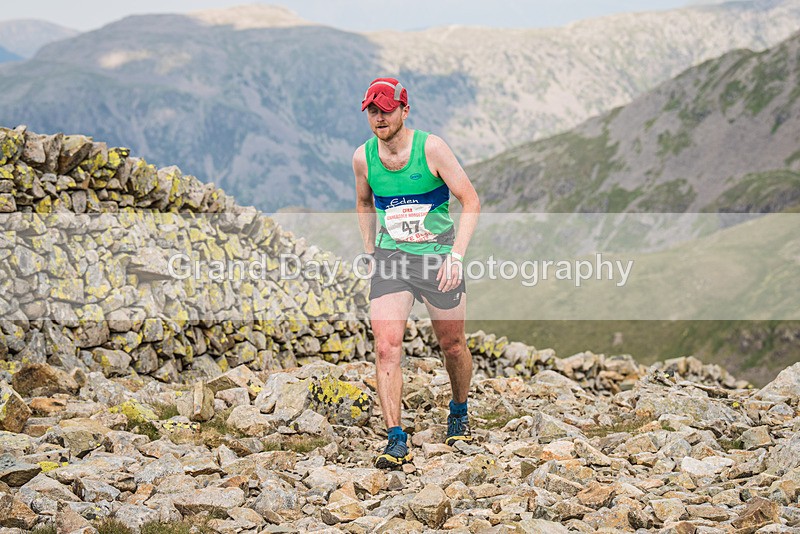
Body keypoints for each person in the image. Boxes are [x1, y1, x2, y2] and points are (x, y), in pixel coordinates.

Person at [352, 77, 481, 469]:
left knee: (452, 344)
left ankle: (458, 410)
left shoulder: (431, 148)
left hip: (437, 257)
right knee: (386, 347)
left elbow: (470, 200)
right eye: (372, 111)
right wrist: (370, 251)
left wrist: (456, 257)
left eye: (386, 110)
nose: (379, 117)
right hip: (392, 259)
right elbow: (364, 203)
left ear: (404, 110)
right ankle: (395, 438)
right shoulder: (363, 158)